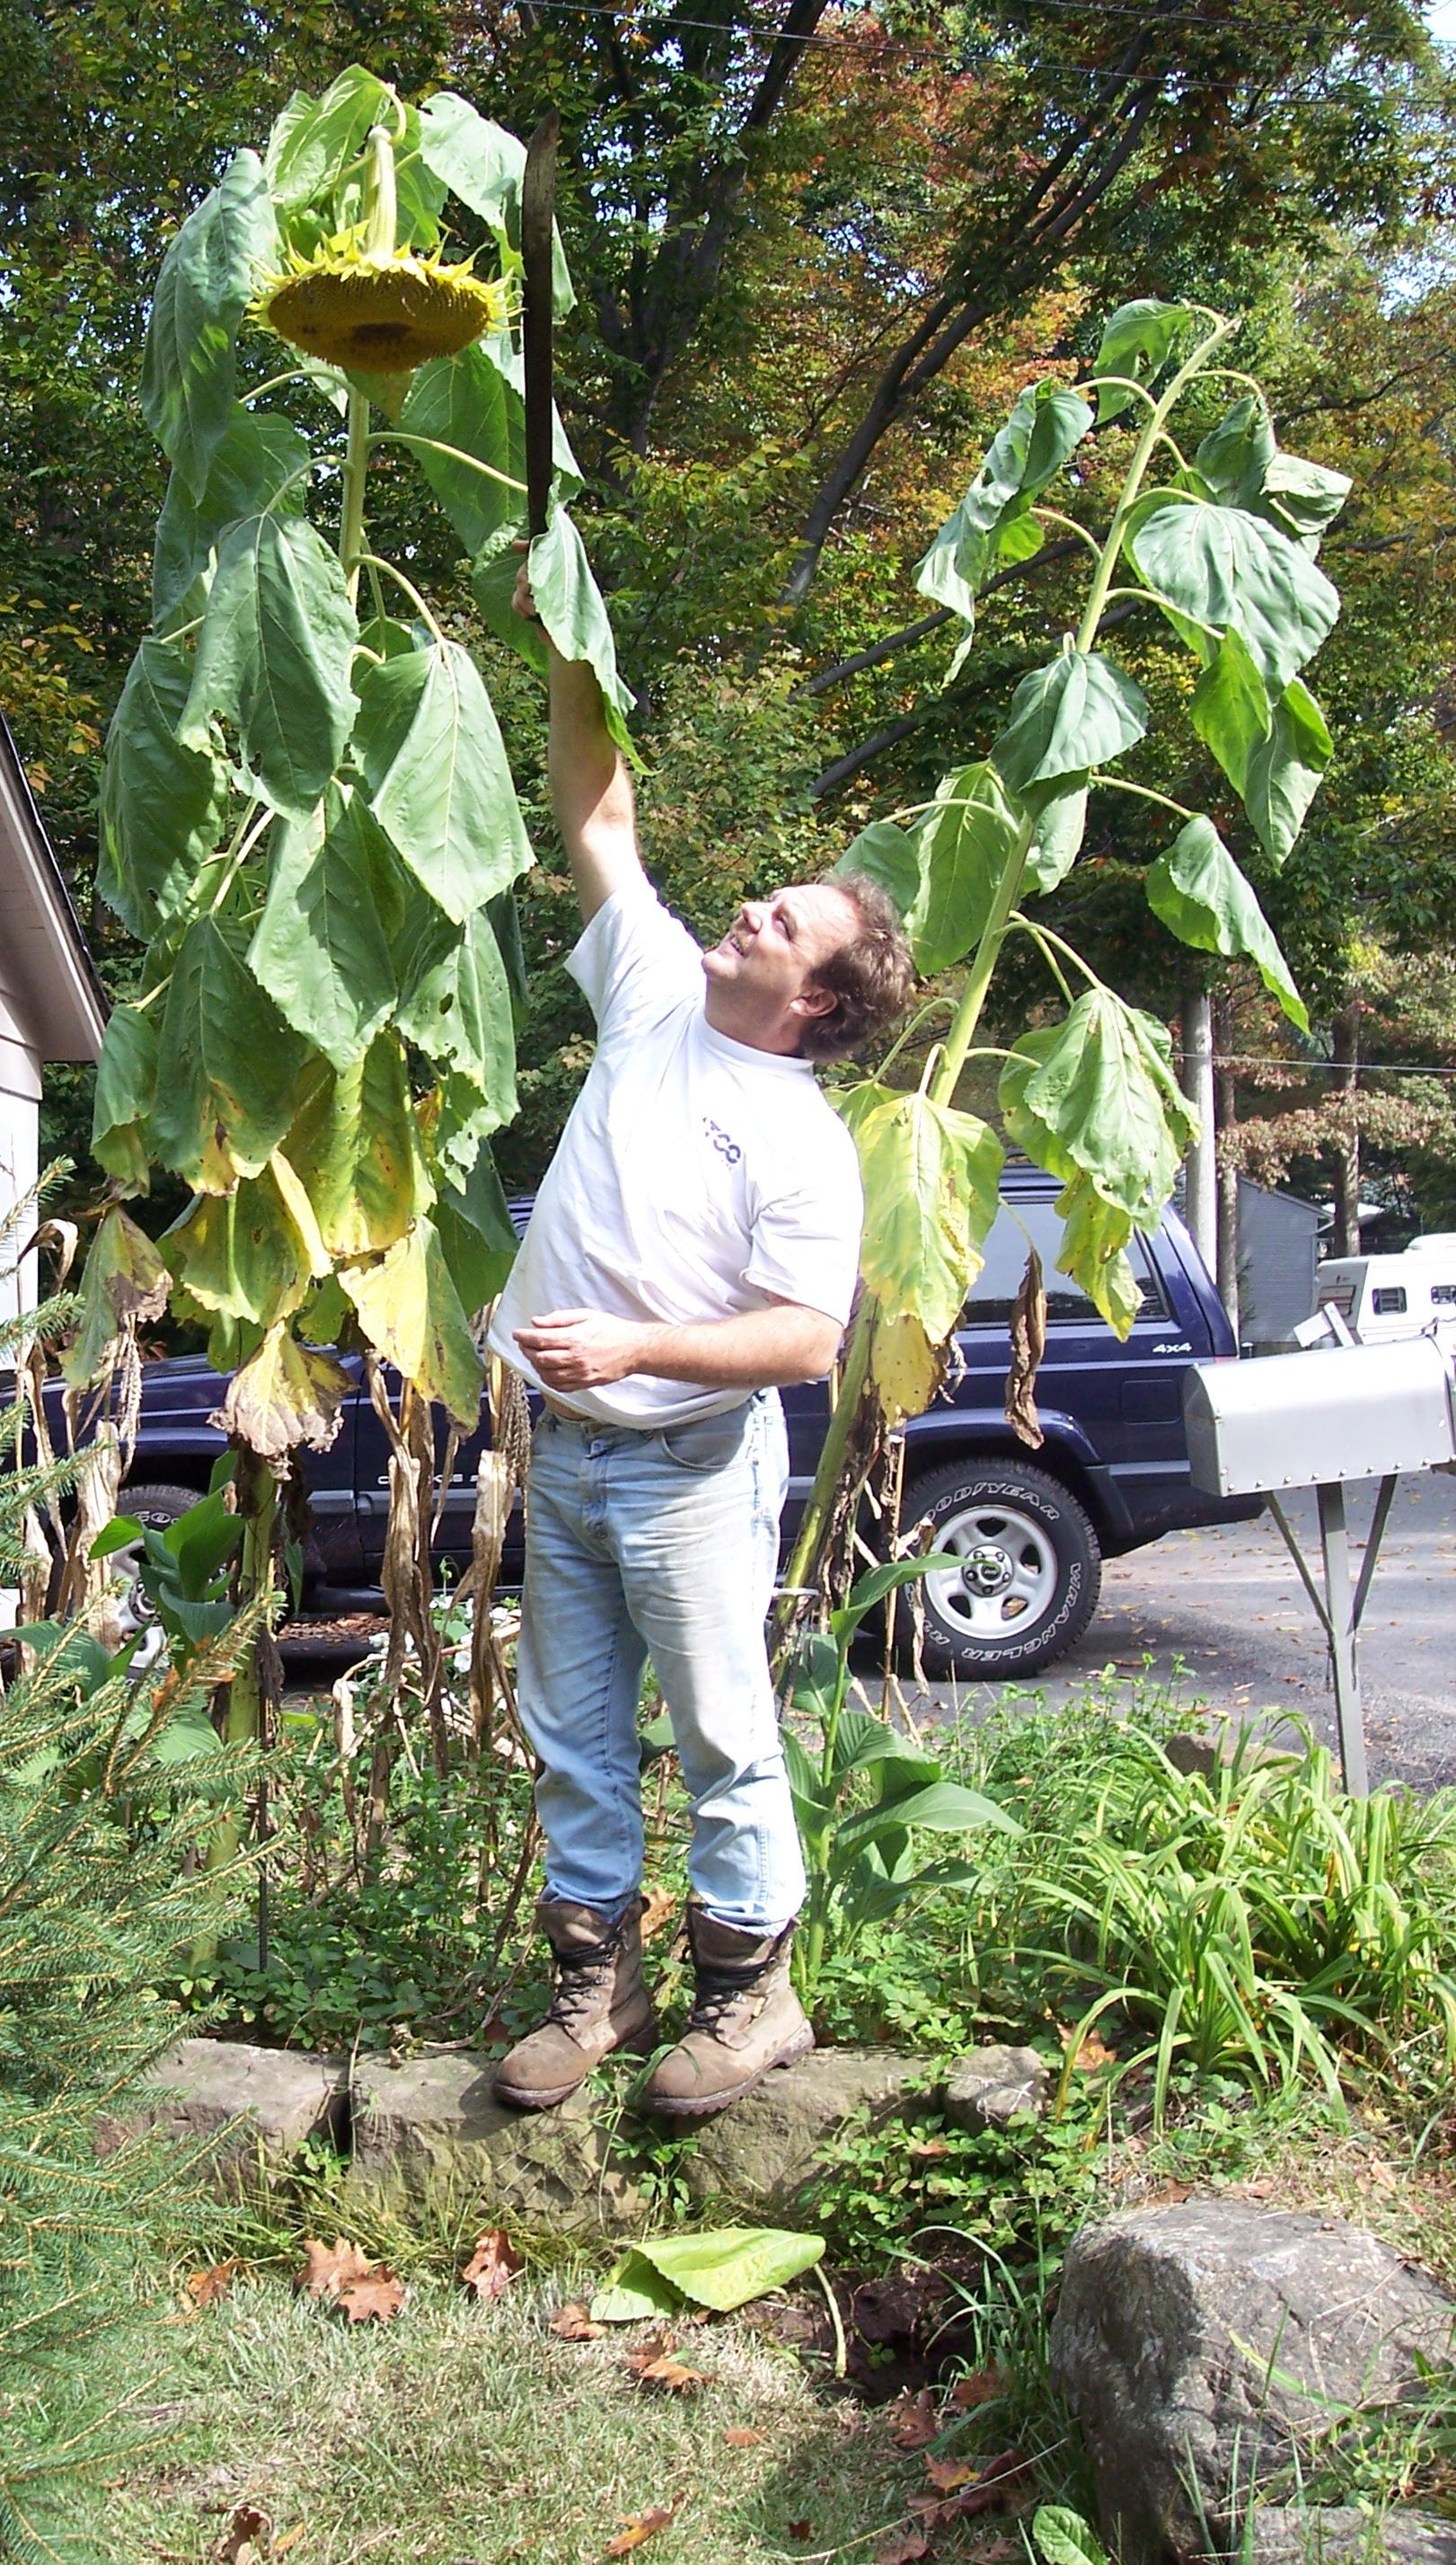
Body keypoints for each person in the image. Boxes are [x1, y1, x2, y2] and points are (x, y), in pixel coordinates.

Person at [487, 561, 915, 2120]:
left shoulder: (800, 1138)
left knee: (725, 1739)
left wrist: (633, 1347)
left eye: (781, 922)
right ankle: (596, 1990)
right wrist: (569, 641)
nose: (749, 909)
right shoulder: (657, 992)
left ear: (814, 1002)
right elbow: (598, 817)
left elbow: (804, 1341)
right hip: (567, 1453)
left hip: (685, 1465)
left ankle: (751, 2001)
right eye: (764, 898)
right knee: (572, 1737)